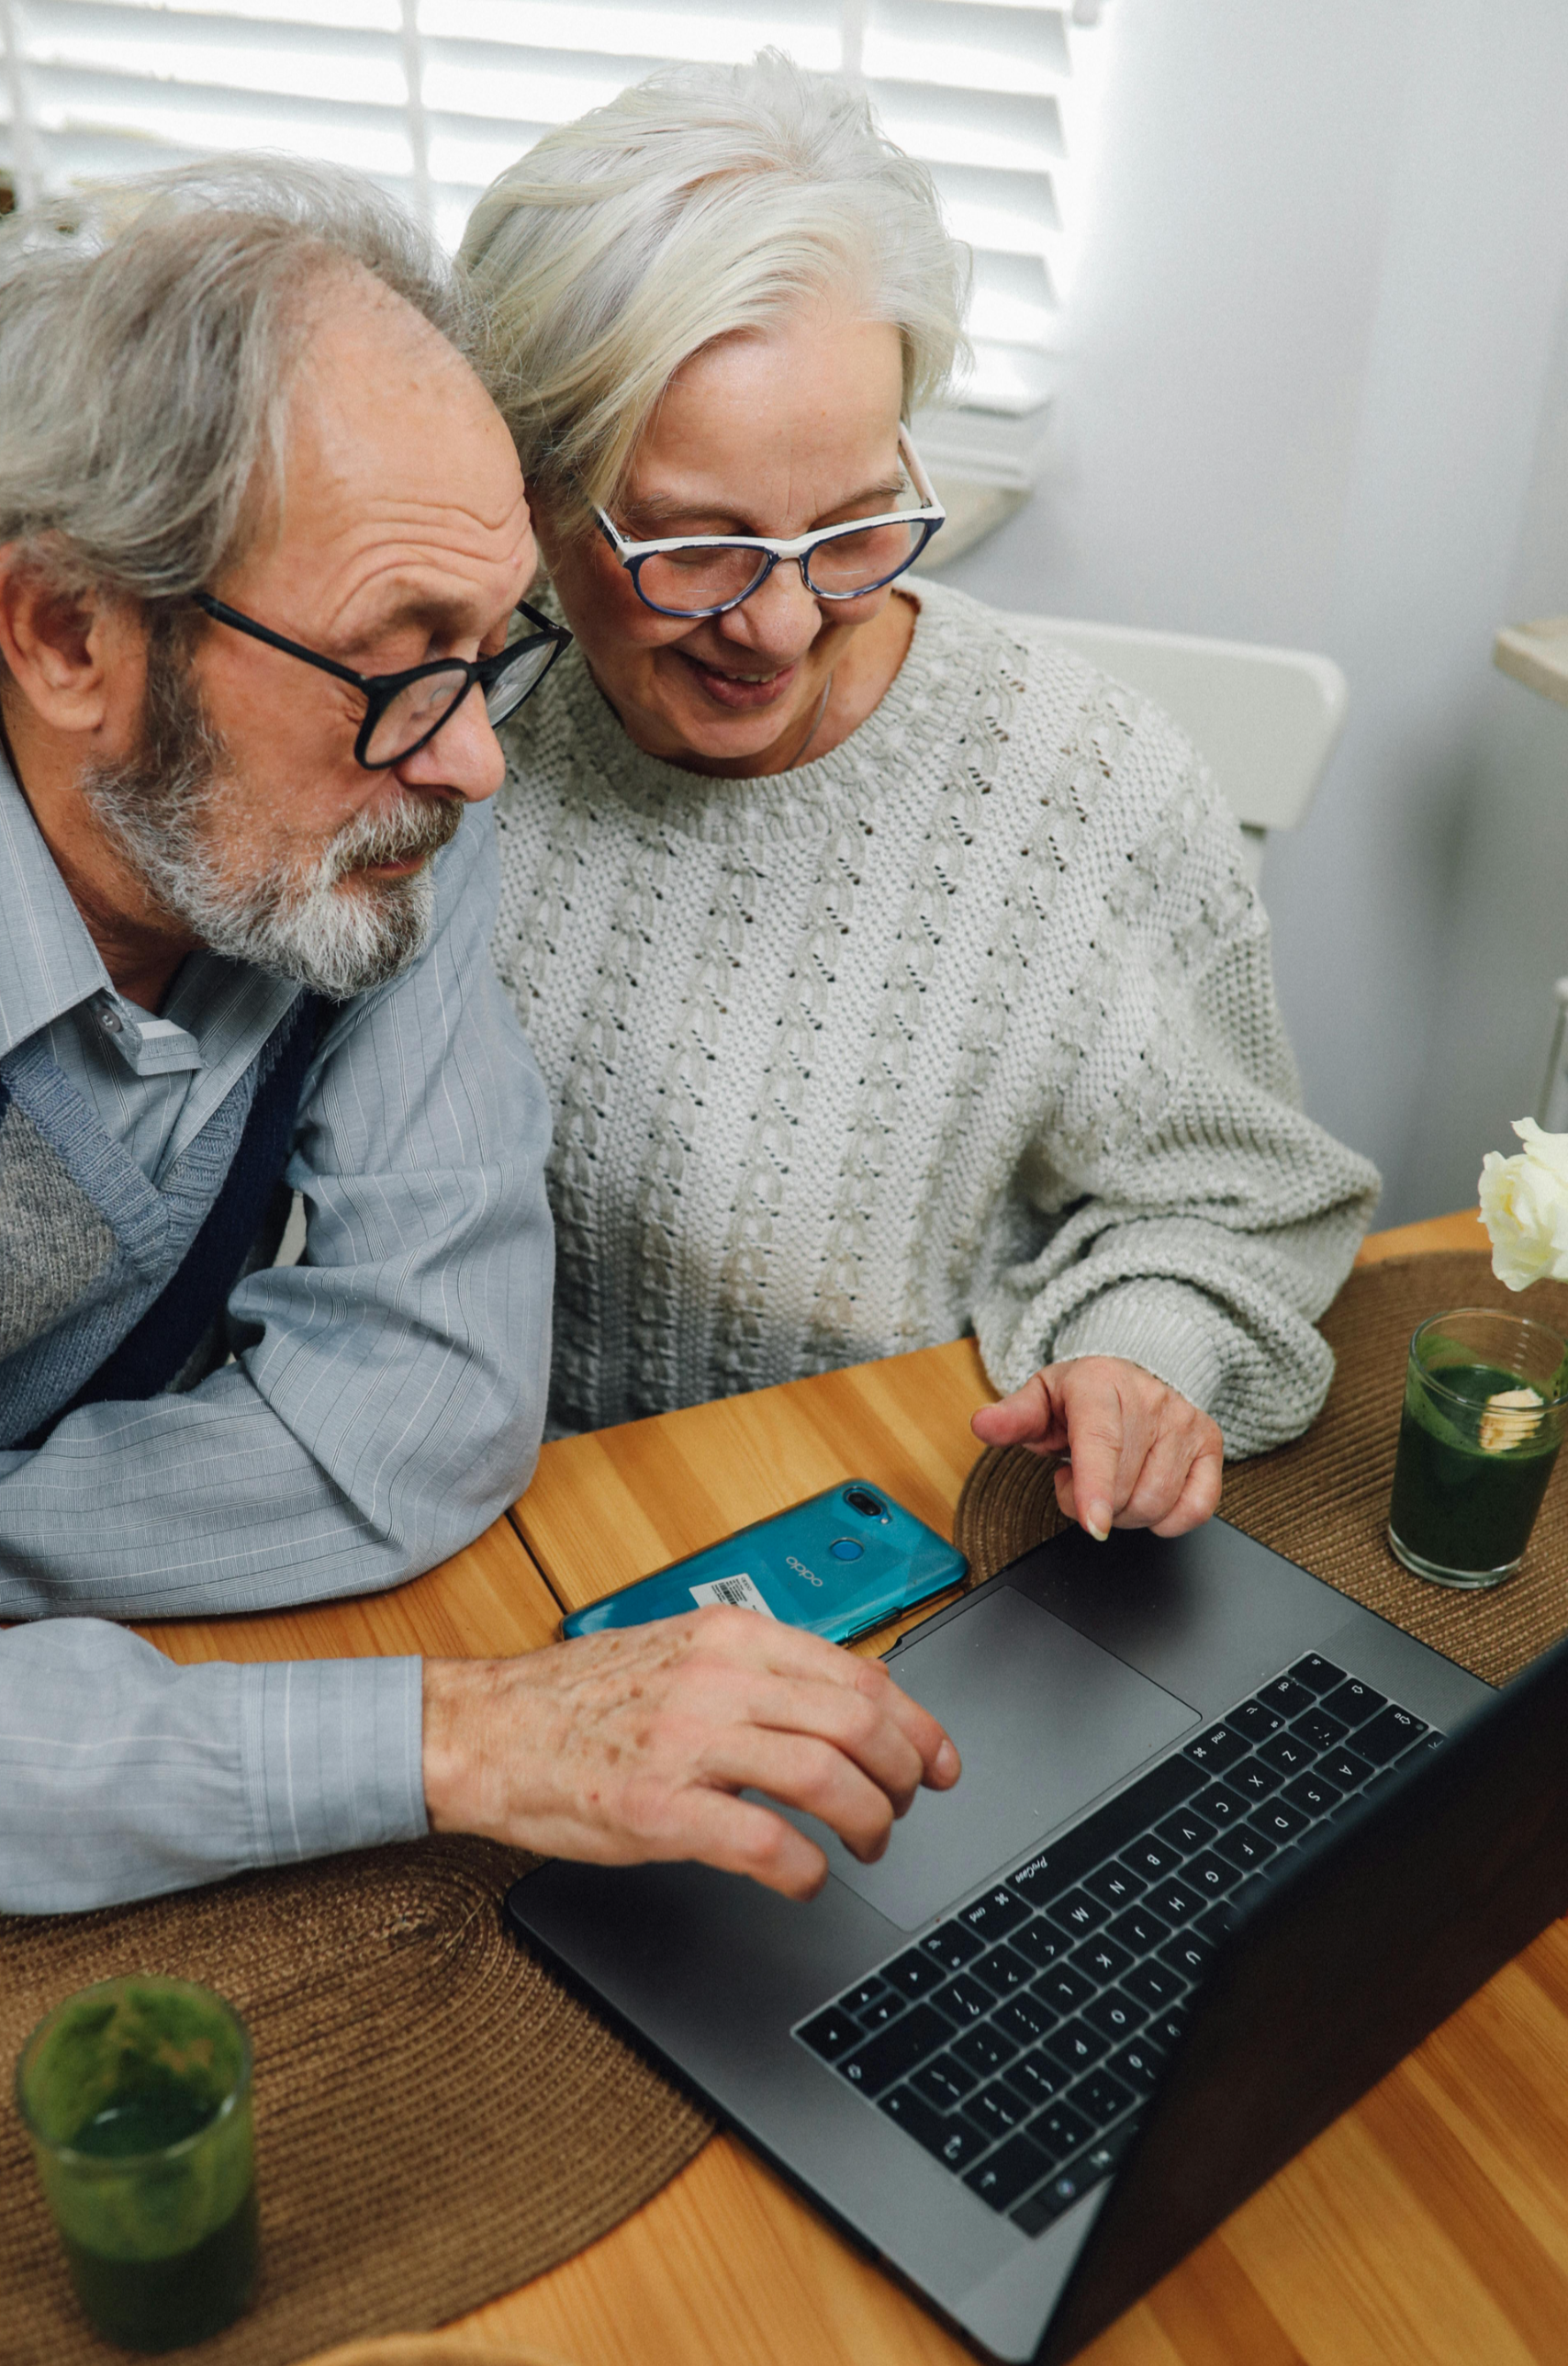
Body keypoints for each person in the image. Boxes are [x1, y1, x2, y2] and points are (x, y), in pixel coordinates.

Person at [0, 158, 954, 1918]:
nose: (475, 761)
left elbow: (428, 1419)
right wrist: (451, 1740)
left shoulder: (362, 823)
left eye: (487, 649)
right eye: (397, 662)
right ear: (66, 629)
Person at [462, 56, 1381, 1539]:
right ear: (534, 501)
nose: (781, 626)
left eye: (851, 524)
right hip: (483, 1524)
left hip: (888, 1527)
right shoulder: (450, 725)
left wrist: (1139, 1364)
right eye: (695, 549)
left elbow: (1236, 1201)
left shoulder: (1084, 790)